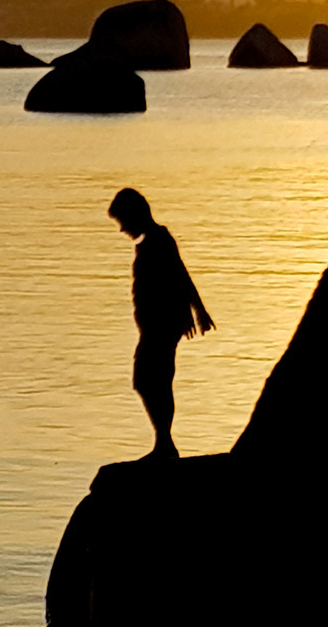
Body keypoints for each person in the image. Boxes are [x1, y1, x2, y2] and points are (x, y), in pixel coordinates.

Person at [108, 188, 215, 459]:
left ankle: (164, 443)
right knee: (152, 380)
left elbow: (179, 275)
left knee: (149, 379)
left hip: (163, 324)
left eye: (122, 222)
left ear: (134, 216)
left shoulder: (159, 240)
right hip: (155, 325)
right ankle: (163, 442)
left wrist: (195, 310)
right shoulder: (152, 241)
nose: (121, 229)